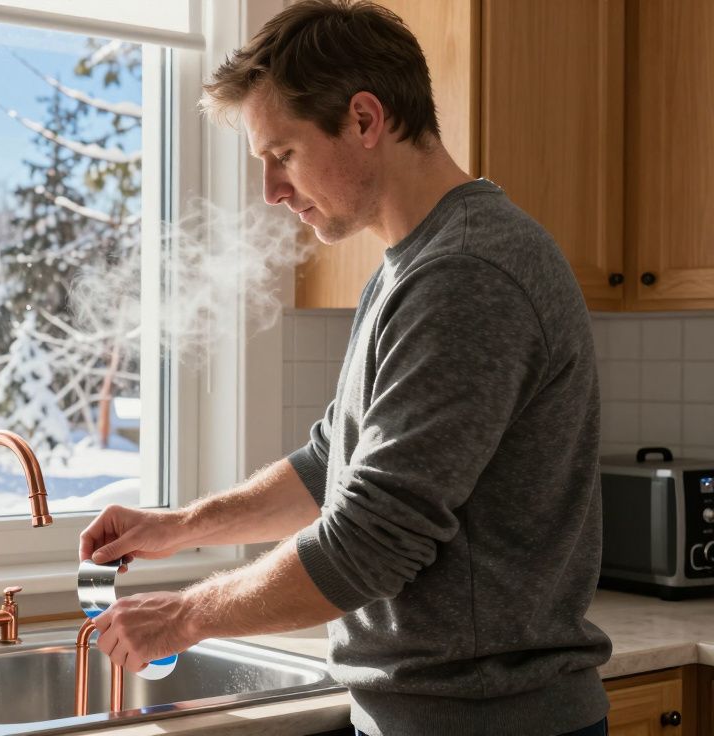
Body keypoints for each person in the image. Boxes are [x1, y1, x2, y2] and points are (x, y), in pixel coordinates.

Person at [77, 2, 613, 734]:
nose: (270, 190)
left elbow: (369, 541)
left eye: (284, 154)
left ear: (365, 120)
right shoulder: (411, 268)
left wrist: (184, 617)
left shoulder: (468, 274)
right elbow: (333, 463)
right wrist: (179, 526)